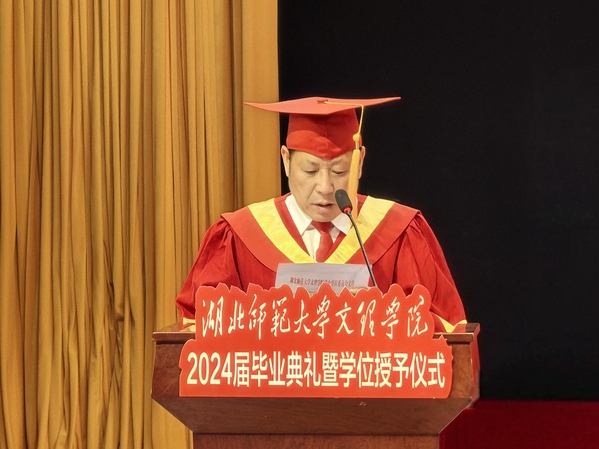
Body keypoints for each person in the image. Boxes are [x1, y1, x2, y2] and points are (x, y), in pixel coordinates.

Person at [175, 96, 466, 332]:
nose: (326, 188)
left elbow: (446, 329)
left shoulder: (400, 231)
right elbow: (199, 326)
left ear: (360, 162)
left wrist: (380, 315)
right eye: (310, 170)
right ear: (286, 161)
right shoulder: (238, 235)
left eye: (339, 171)